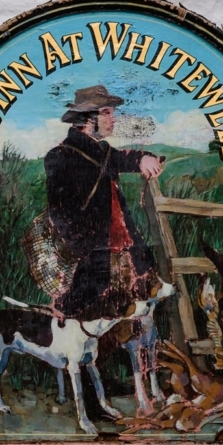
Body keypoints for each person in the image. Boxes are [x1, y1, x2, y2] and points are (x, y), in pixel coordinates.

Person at [44, 85, 164, 320]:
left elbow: (124, 158)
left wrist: (144, 158)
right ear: (88, 118)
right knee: (79, 319)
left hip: (128, 251)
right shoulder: (60, 156)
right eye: (107, 112)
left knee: (142, 312)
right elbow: (60, 214)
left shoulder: (104, 151)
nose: (113, 119)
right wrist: (87, 250)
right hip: (92, 256)